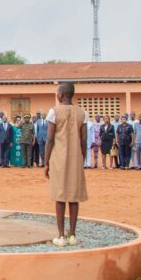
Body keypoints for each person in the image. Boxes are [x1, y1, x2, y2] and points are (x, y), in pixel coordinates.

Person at [44, 82, 87, 247]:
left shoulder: (53, 112)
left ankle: (61, 236)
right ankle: (73, 235)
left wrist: (46, 162)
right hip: (76, 157)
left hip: (58, 158)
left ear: (60, 95)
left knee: (60, 196)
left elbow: (49, 139)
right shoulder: (82, 112)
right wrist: (82, 157)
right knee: (74, 196)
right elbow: (83, 139)